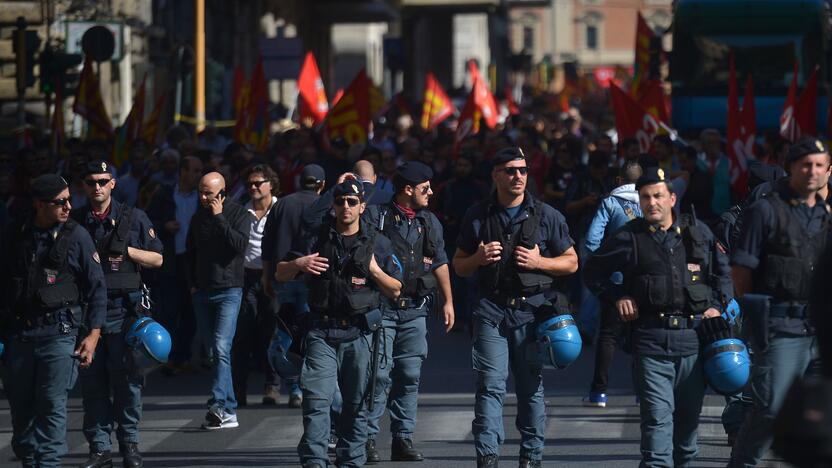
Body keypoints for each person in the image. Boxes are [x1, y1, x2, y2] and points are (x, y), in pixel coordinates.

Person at [584, 166, 733, 467]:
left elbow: (723, 275)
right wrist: (617, 297)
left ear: (672, 198)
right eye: (645, 197)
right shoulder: (629, 237)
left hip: (692, 345)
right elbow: (592, 270)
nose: (652, 202)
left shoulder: (698, 233)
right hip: (651, 344)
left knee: (687, 438)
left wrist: (718, 304)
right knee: (656, 430)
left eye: (658, 196)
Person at [452, 147, 579, 468]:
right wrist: (478, 259)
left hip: (532, 314)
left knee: (529, 388)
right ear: (495, 175)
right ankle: (488, 456)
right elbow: (459, 265)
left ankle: (531, 456)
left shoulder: (547, 215)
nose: (518, 176)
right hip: (491, 311)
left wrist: (540, 261)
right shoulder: (477, 215)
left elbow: (572, 263)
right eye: (510, 170)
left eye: (522, 170)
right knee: (490, 386)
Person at [276, 179, 403, 468]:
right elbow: (280, 273)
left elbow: (397, 288)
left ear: (362, 206)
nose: (345, 206)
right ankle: (314, 461)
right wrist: (299, 264)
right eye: (340, 201)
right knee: (316, 400)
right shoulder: (315, 237)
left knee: (356, 404)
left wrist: (373, 270)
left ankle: (350, 460)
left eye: (352, 202)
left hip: (359, 333)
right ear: (332, 205)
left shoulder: (378, 242)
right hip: (321, 330)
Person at [728, 137, 830, 467]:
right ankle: (744, 462)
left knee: (820, 414)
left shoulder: (827, 215)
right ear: (790, 168)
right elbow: (741, 273)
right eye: (805, 164)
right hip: (782, 327)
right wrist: (760, 321)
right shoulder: (765, 210)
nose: (812, 171)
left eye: (819, 164)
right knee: (771, 408)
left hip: (822, 328)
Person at [0, 174, 107, 467]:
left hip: (59, 334)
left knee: (51, 403)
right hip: (20, 335)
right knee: (21, 409)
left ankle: (48, 463)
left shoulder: (77, 236)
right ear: (39, 205)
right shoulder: (15, 234)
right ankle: (30, 458)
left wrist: (93, 334)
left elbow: (97, 287)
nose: (68, 207)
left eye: (70, 200)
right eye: (59, 202)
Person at [72, 161, 164, 468]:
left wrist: (127, 252)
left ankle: (130, 445)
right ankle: (99, 448)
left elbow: (157, 258)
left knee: (127, 384)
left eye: (102, 180)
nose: (96, 187)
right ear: (84, 186)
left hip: (124, 311)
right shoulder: (75, 222)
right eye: (90, 182)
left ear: (113, 183)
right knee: (93, 385)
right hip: (87, 314)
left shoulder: (133, 218)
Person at [364, 161, 455, 463]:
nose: (430, 192)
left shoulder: (430, 221)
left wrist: (448, 301)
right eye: (424, 188)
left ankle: (402, 439)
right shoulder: (377, 217)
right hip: (383, 311)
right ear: (407, 189)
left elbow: (440, 261)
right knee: (378, 376)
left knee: (409, 375)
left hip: (415, 312)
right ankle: (366, 439)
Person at [187, 172, 250, 430]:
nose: (203, 198)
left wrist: (219, 217)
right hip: (202, 291)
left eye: (209, 194)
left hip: (229, 290)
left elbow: (239, 245)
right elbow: (189, 251)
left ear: (222, 193)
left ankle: (218, 404)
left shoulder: (239, 214)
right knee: (213, 352)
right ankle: (229, 409)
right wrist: (191, 284)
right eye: (200, 192)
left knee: (222, 348)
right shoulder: (197, 216)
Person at [261, 163, 326, 407]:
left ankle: (282, 382)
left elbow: (267, 245)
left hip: (284, 276)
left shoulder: (282, 204)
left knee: (285, 332)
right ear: (321, 184)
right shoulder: (324, 205)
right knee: (308, 335)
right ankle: (300, 387)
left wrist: (267, 276)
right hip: (312, 279)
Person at [582, 161, 643, 407]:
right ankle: (643, 392)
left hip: (616, 280)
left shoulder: (609, 203)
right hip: (645, 279)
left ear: (619, 181)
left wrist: (601, 266)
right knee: (643, 336)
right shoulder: (651, 202)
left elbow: (591, 240)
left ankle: (599, 393)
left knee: (607, 335)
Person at [145, 156, 203, 374]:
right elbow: (147, 221)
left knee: (191, 311)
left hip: (193, 261)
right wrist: (164, 226)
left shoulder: (202, 197)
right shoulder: (165, 195)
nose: (198, 175)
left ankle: (184, 356)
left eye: (200, 171)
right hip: (170, 259)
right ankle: (166, 356)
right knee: (169, 310)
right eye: (195, 171)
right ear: (183, 172)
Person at [231, 164, 279, 407]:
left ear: (270, 184)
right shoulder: (242, 212)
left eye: (258, 182)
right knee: (242, 333)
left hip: (273, 277)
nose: (253, 187)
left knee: (271, 333)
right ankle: (239, 389)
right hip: (247, 277)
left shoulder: (280, 210)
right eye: (250, 183)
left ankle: (272, 384)